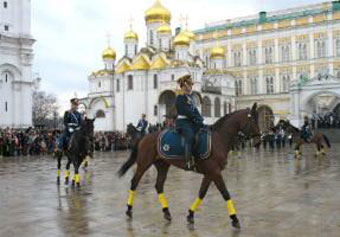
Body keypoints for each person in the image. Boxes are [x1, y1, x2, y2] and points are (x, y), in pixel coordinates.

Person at [175, 74, 206, 170]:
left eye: (191, 85)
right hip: (183, 122)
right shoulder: (180, 97)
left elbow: (194, 110)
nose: (191, 86)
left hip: (190, 121)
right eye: (190, 85)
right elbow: (186, 111)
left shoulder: (190, 98)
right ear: (185, 86)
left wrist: (200, 118)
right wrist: (195, 119)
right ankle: (187, 161)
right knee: (190, 136)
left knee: (204, 131)